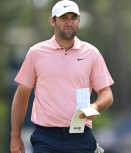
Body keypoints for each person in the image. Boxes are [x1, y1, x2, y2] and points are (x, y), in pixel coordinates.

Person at [10, 0, 114, 153]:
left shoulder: (92, 53)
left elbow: (107, 94)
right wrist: (15, 136)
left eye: (74, 18)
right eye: (64, 18)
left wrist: (95, 106)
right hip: (46, 138)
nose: (69, 23)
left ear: (78, 21)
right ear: (53, 21)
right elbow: (22, 96)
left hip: (81, 136)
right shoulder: (36, 53)